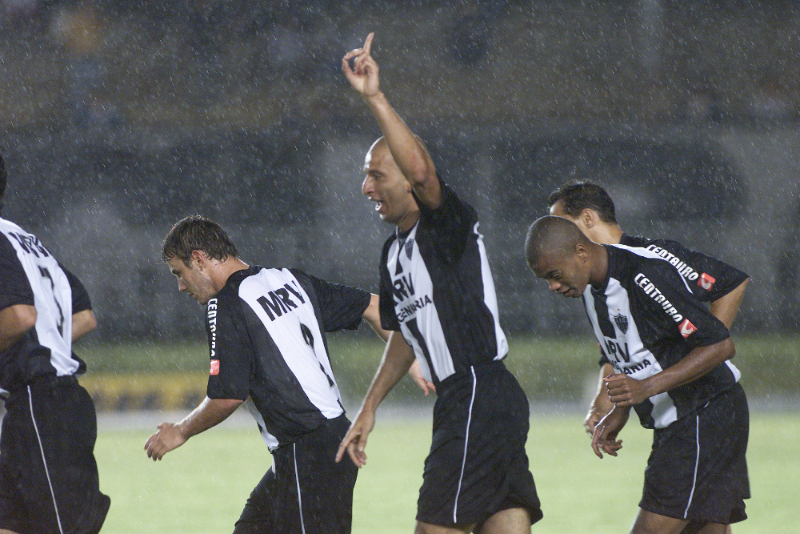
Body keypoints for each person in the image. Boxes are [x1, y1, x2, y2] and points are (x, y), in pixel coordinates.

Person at [336, 33, 542, 534]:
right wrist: (368, 408)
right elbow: (404, 334)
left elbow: (425, 170)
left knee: (434, 528)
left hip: (476, 389)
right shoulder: (394, 252)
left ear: (407, 178)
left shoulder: (446, 225)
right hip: (473, 398)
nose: (367, 187)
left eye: (377, 175)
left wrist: (375, 98)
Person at [144, 215, 395, 534]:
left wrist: (180, 430)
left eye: (179, 273)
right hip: (316, 448)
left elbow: (227, 396)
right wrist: (412, 359)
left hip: (307, 450)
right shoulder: (289, 279)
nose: (181, 286)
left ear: (199, 259)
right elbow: (374, 306)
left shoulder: (226, 305)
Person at [525, 215, 749, 534]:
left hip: (705, 414)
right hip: (680, 421)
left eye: (555, 274)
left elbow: (720, 346)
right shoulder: (590, 292)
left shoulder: (645, 274)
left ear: (581, 251)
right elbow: (630, 358)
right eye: (545, 279)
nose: (553, 287)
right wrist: (621, 410)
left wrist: (646, 388)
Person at [547, 180, 749, 439]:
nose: (554, 235)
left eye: (561, 225)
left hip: (701, 409)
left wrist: (704, 347)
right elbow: (617, 352)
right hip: (668, 419)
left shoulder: (651, 259)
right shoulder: (589, 283)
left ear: (587, 218)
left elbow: (729, 283)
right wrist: (604, 402)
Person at [0, 150, 110, 533]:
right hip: (49, 404)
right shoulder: (23, 238)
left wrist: (30, 347)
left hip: (40, 405)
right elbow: (83, 316)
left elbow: (19, 316)